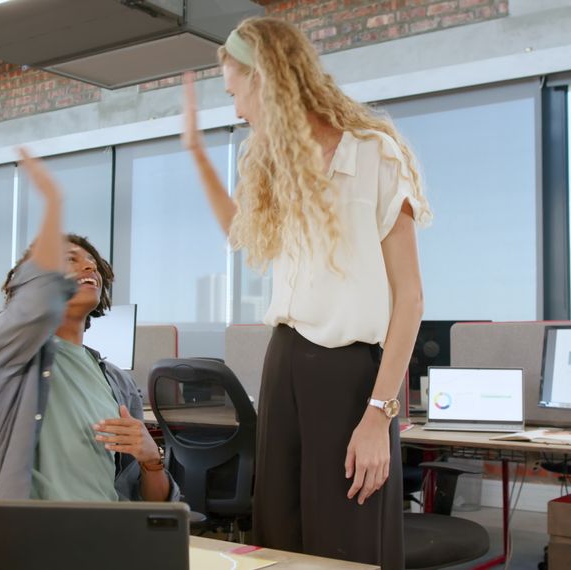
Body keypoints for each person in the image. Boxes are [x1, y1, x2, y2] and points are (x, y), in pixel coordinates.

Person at [182, 16, 431, 569]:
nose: (238, 110)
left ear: (266, 77)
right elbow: (240, 233)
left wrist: (378, 416)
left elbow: (409, 299)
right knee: (281, 539)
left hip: (351, 379)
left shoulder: (374, 155)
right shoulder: (281, 166)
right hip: (285, 361)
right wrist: (198, 155)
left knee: (349, 540)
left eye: (235, 93)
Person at [0, 147, 177, 503]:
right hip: (34, 536)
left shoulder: (117, 382)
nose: (89, 268)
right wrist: (53, 203)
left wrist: (150, 461)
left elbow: (152, 508)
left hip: (106, 537)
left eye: (92, 264)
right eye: (70, 260)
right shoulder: (8, 354)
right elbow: (32, 307)